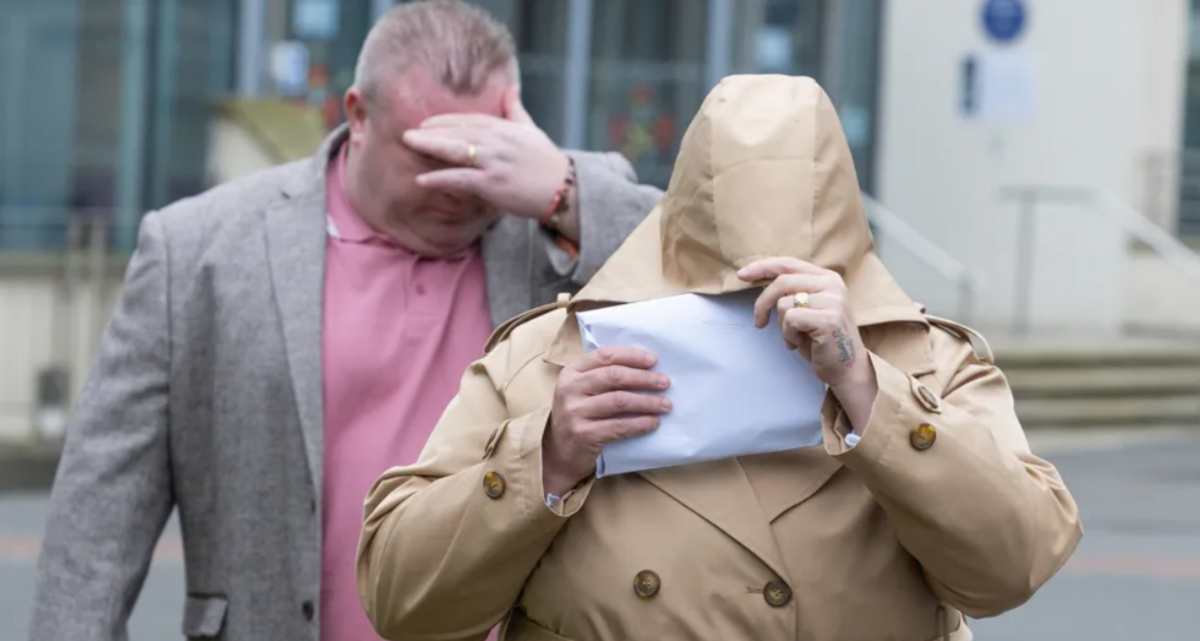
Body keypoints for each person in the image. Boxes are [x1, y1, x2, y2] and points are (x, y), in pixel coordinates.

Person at [356, 74, 1083, 641]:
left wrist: (870, 393)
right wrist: (545, 457)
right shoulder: (546, 359)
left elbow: (1010, 567)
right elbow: (404, 601)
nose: (759, 316)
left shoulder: (926, 361)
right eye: (727, 284)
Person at [29, 2, 662, 641]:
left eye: (482, 152)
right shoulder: (196, 250)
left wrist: (563, 191)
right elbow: (95, 527)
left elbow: (708, 267)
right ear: (357, 115)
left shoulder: (560, 227)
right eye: (431, 152)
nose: (459, 185)